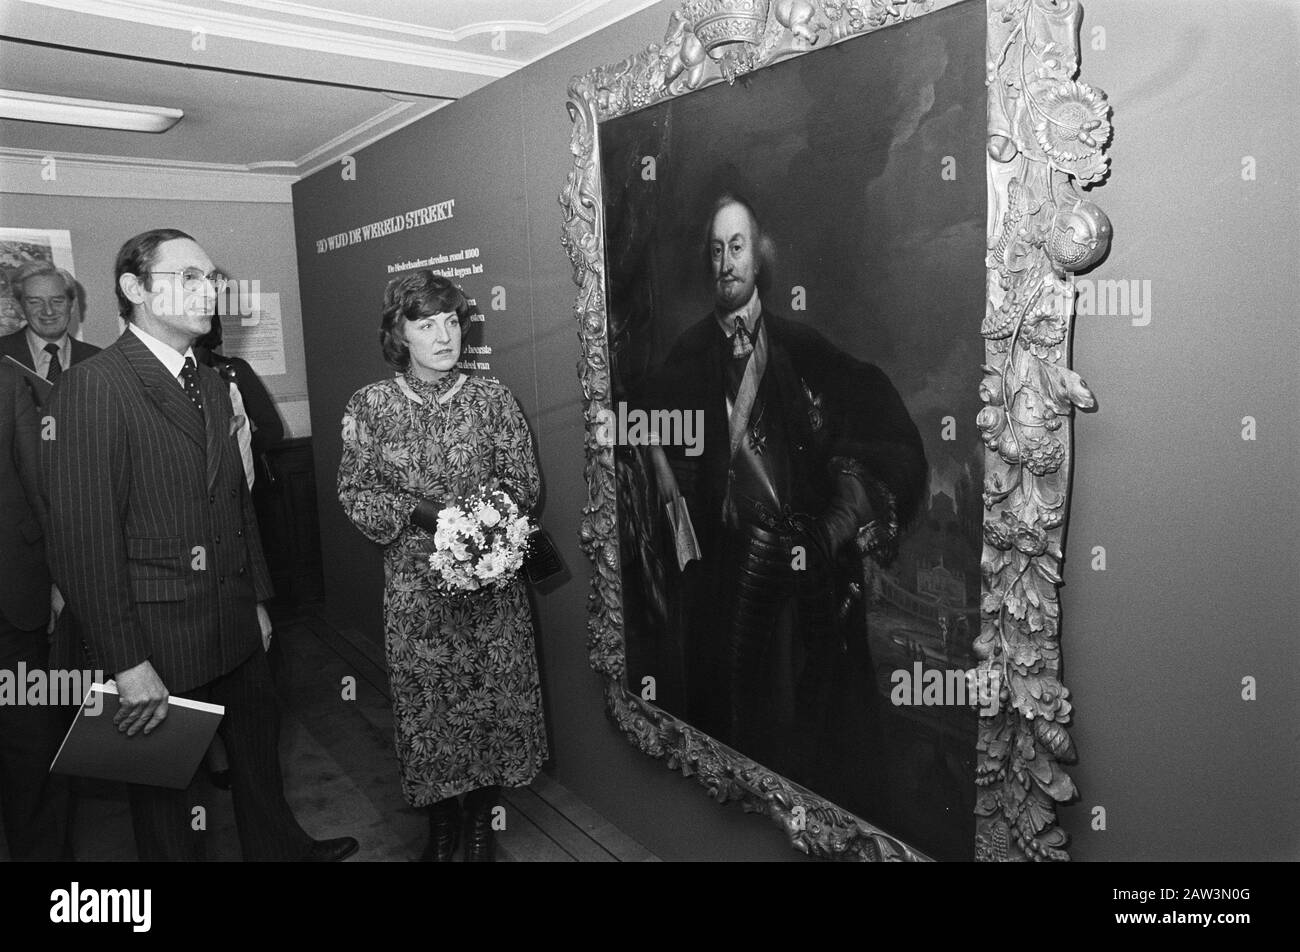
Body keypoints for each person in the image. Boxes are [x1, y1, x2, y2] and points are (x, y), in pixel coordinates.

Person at [40, 227, 358, 862]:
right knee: (165, 801)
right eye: (188, 277)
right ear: (133, 289)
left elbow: (235, 504)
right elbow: (82, 541)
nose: (209, 290)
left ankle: (280, 851)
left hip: (233, 618)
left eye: (211, 278)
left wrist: (258, 600)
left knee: (257, 752)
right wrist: (127, 664)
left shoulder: (210, 381)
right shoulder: (96, 385)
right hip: (156, 636)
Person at [644, 193, 928, 790]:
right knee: (730, 731)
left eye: (737, 246)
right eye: (716, 250)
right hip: (722, 584)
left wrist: (836, 523)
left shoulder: (805, 348)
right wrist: (664, 472)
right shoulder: (686, 354)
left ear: (758, 257)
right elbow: (633, 427)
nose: (726, 261)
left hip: (804, 587)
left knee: (810, 743)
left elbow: (886, 431)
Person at [337, 270, 547, 862]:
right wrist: (421, 512)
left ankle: (480, 828)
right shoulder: (369, 406)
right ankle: (441, 829)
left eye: (450, 321)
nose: (443, 335)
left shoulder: (492, 399)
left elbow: (523, 486)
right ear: (399, 334)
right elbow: (357, 493)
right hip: (417, 596)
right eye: (425, 323)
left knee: (490, 707)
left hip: (490, 591)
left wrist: (479, 524)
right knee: (429, 712)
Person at [0, 362, 71, 860]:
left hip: (12, 598)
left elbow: (37, 481)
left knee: (29, 741)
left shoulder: (7, 383)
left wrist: (59, 580)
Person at [0, 262, 100, 407]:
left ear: (71, 306)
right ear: (19, 307)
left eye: (57, 301)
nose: (48, 311)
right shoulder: (2, 355)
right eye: (35, 302)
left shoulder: (98, 360)